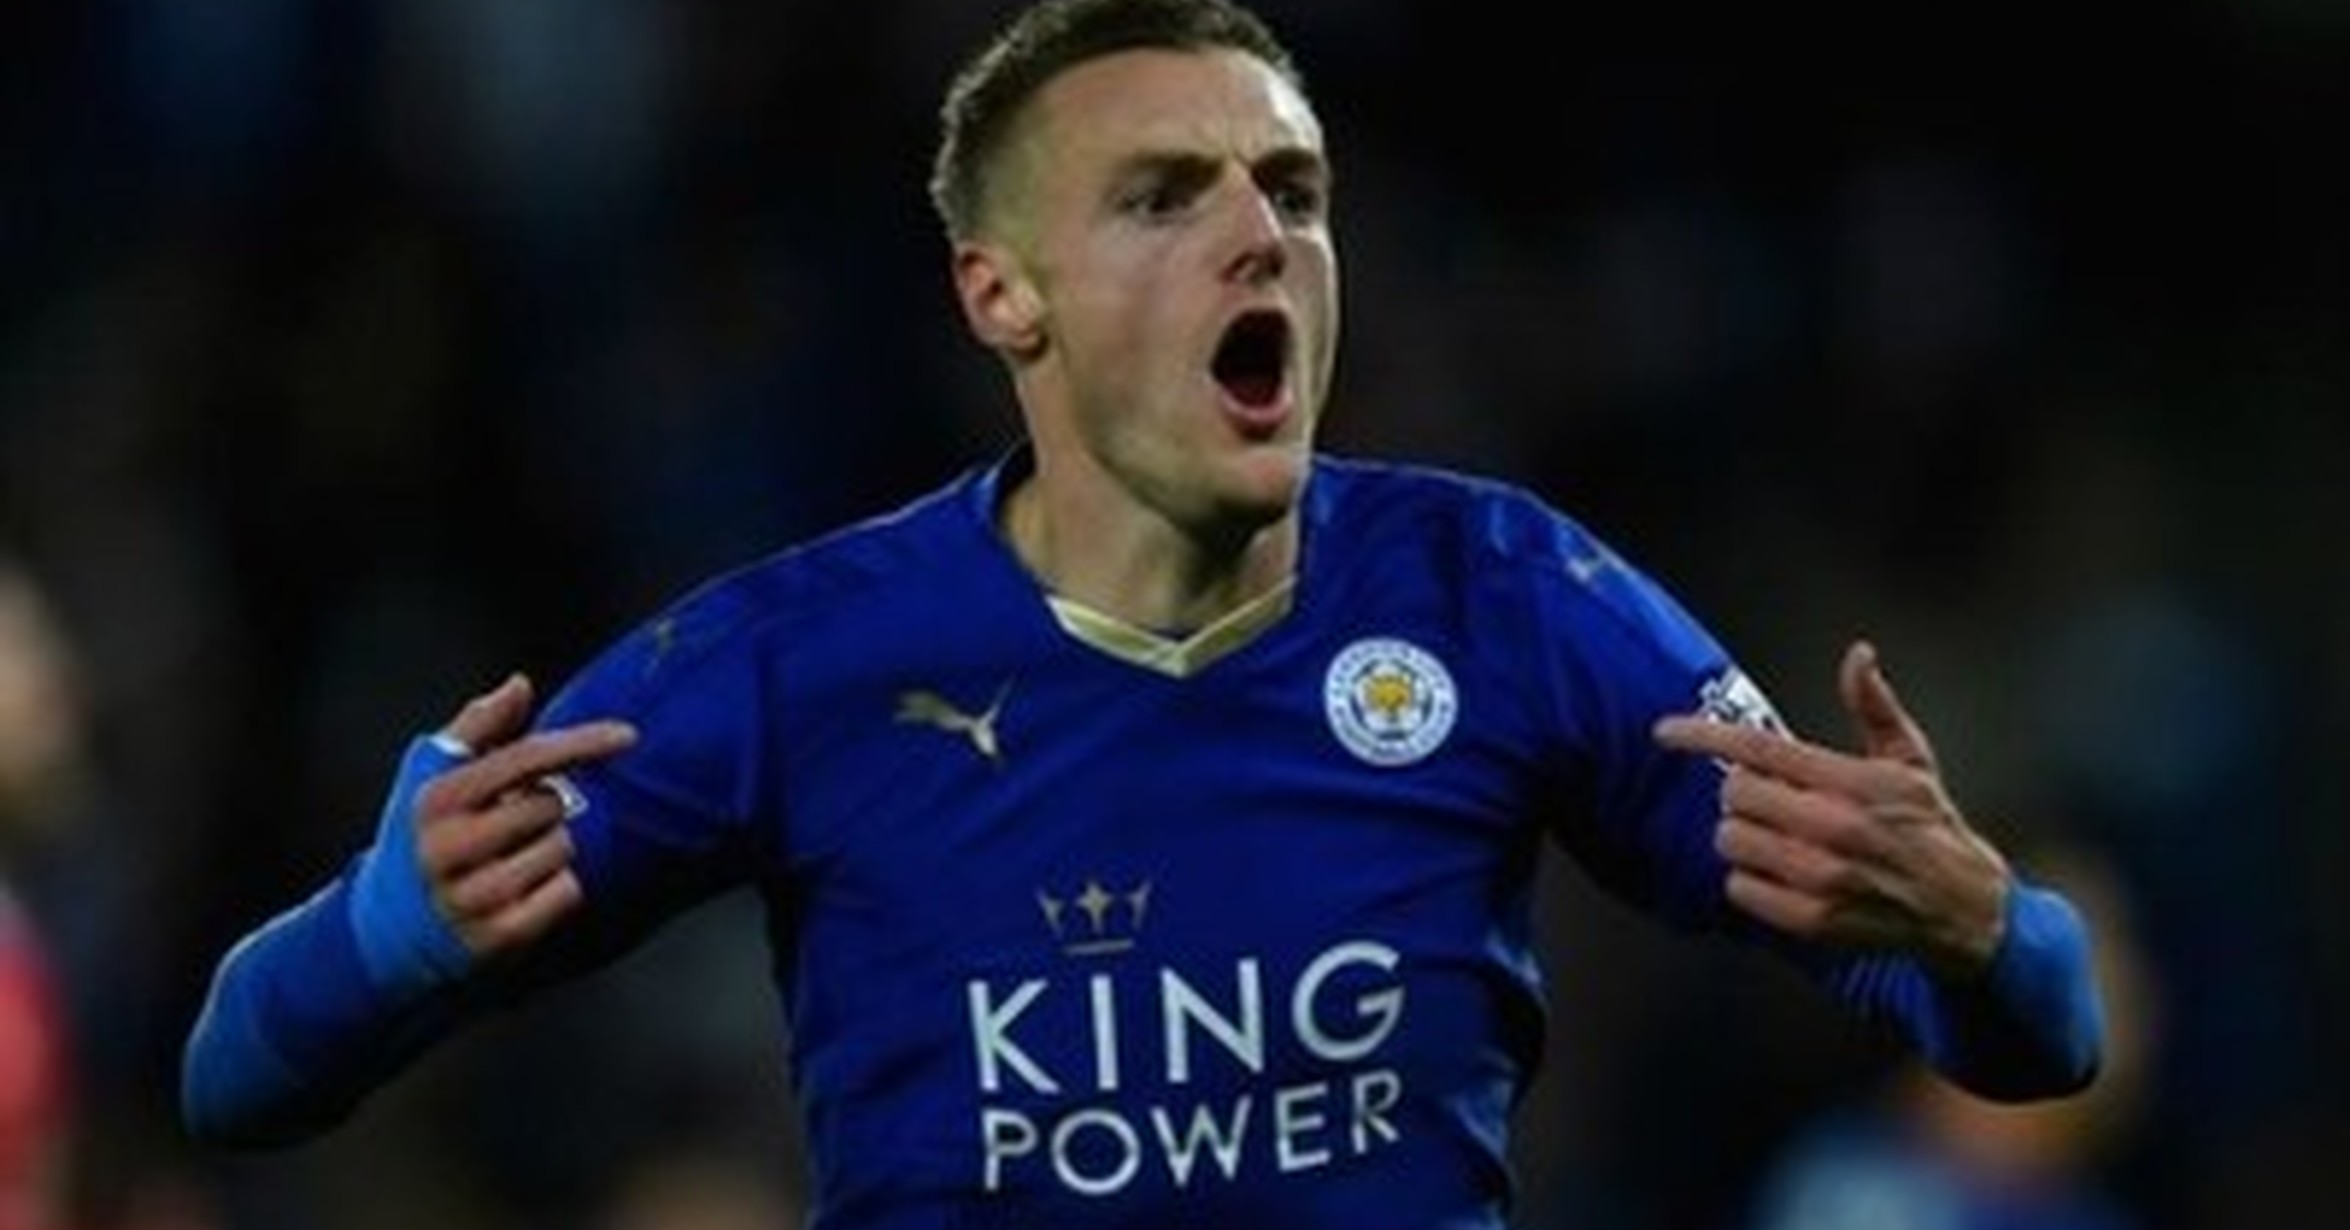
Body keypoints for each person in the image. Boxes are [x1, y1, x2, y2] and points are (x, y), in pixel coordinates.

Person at [180, 1, 2106, 1227]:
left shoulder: (1502, 598)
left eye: (1295, 189)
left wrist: (1980, 930)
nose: (1262, 234)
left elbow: (2038, 1035)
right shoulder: (800, 660)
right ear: (998, 295)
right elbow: (236, 1077)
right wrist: (385, 932)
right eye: (1166, 197)